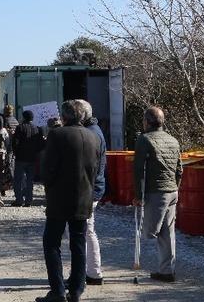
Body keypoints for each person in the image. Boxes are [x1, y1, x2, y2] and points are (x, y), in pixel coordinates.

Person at [37, 101, 100, 302]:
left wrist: (48, 185)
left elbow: (48, 168)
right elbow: (96, 169)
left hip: (59, 198)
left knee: (51, 243)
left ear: (64, 117)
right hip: (84, 197)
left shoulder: (57, 135)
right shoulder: (94, 137)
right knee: (78, 243)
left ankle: (57, 291)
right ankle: (76, 289)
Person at [133, 106, 183, 283]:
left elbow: (138, 169)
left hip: (156, 192)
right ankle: (166, 271)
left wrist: (138, 195)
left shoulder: (144, 139)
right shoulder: (173, 140)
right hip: (172, 191)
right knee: (167, 232)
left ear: (147, 122)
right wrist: (176, 188)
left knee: (149, 232)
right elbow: (179, 169)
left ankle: (166, 270)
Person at [78, 100, 107, 286]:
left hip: (90, 189)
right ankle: (90, 271)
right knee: (87, 231)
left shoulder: (90, 134)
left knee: (87, 231)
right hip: (94, 187)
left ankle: (93, 272)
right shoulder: (95, 131)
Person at [13, 110, 44, 207]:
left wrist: (15, 152)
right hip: (32, 158)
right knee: (30, 180)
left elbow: (15, 142)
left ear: (24, 117)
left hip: (21, 157)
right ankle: (28, 200)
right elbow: (41, 144)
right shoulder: (38, 129)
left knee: (18, 179)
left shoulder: (20, 128)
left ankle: (19, 200)